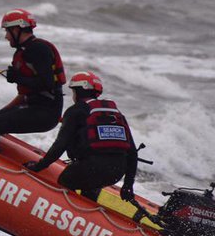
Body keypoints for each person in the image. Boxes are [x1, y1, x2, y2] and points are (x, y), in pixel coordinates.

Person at [24, 71, 138, 202]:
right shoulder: (116, 113)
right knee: (91, 183)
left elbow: (60, 145)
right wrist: (128, 185)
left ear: (78, 91)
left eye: (73, 92)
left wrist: (39, 167)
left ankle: (66, 210)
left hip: (92, 167)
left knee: (65, 180)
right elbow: (132, 152)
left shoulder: (76, 110)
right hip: (117, 171)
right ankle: (88, 207)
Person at [0, 9, 65, 149]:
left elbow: (48, 84)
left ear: (17, 29)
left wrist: (18, 78)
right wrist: (1, 112)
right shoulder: (21, 52)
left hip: (47, 112)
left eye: (7, 31)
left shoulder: (39, 49)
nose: (6, 37)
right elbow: (23, 95)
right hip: (31, 106)